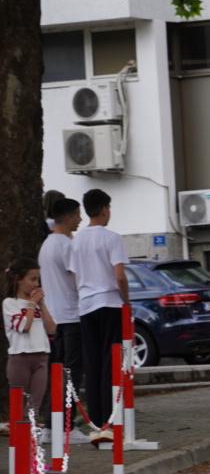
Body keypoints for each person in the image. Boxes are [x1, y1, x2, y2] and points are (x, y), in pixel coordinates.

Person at [66, 188, 128, 440]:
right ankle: (110, 422)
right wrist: (126, 301)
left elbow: (74, 274)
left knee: (92, 363)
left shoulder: (76, 240)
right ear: (104, 209)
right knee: (111, 362)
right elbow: (120, 276)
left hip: (86, 305)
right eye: (109, 208)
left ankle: (96, 421)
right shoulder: (112, 238)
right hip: (110, 303)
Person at [39, 196, 84, 421]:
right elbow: (78, 279)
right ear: (67, 217)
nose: (80, 219)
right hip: (71, 317)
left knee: (55, 373)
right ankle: (68, 425)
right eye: (77, 215)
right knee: (72, 374)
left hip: (52, 319)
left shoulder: (47, 244)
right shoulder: (67, 245)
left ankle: (51, 424)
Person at [4, 259, 56, 417]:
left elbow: (52, 329)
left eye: (38, 279)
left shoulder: (38, 304)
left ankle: (31, 439)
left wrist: (43, 305)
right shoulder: (10, 303)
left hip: (41, 356)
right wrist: (32, 304)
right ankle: (19, 440)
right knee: (19, 404)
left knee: (35, 404)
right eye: (32, 279)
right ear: (19, 280)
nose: (36, 284)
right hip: (20, 357)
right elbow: (24, 326)